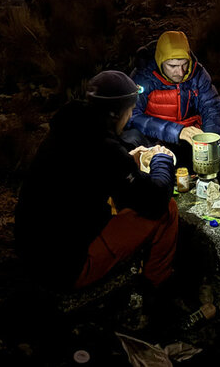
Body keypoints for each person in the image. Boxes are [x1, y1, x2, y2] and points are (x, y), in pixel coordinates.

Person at [14, 70, 178, 292]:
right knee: (167, 209)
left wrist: (127, 159)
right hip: (66, 268)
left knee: (122, 202)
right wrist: (161, 159)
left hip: (33, 252)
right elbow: (154, 201)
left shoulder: (69, 129)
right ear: (115, 113)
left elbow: (91, 171)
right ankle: (158, 285)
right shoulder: (105, 150)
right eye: (129, 110)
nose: (130, 117)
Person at [122, 30, 220, 184]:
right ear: (160, 60)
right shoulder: (143, 76)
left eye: (184, 64)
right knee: (131, 138)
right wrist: (177, 131)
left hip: (194, 140)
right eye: (172, 66)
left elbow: (211, 107)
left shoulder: (197, 72)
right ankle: (152, 181)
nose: (180, 72)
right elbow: (133, 116)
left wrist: (208, 139)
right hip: (159, 141)